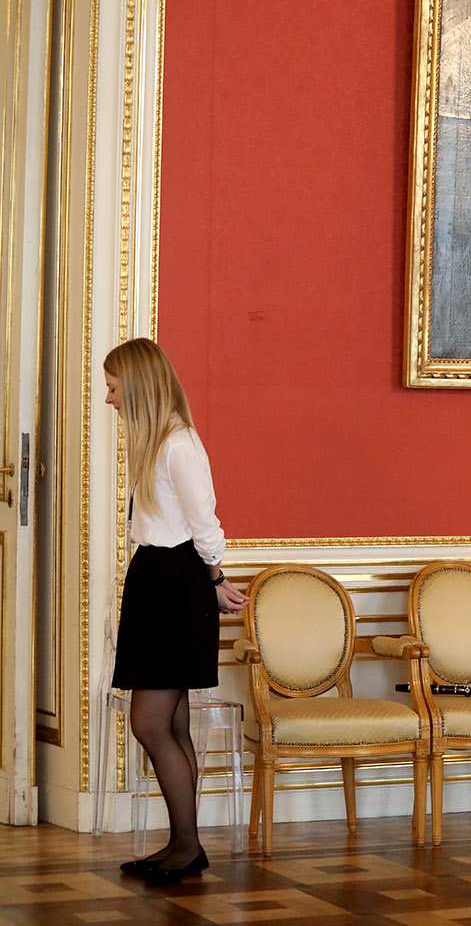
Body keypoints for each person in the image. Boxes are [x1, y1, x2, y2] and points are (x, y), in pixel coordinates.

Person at [104, 338, 246, 884]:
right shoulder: (159, 443)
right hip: (158, 581)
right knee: (173, 720)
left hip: (173, 584)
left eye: (114, 388)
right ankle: (183, 844)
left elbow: (205, 525)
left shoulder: (178, 445)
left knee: (149, 722)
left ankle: (187, 845)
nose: (110, 399)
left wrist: (215, 581)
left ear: (138, 386)